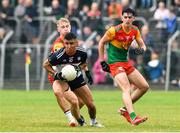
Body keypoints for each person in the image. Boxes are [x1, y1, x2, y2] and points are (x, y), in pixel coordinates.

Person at [98, 8, 149, 126]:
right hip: (114, 63)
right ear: (122, 18)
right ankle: (133, 117)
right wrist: (102, 61)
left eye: (130, 17)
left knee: (144, 86)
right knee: (126, 88)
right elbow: (101, 42)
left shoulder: (135, 30)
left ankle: (124, 109)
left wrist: (142, 50)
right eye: (125, 17)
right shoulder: (113, 30)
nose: (127, 19)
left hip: (126, 63)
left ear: (133, 19)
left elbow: (143, 45)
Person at [43, 32, 103, 127]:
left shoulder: (82, 52)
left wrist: (86, 72)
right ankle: (79, 120)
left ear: (76, 43)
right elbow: (45, 65)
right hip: (62, 79)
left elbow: (83, 63)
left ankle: (93, 121)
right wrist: (56, 74)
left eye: (71, 43)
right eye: (66, 43)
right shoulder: (58, 55)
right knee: (58, 92)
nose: (69, 46)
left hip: (76, 78)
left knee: (91, 104)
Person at [46, 18, 84, 127]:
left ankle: (78, 118)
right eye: (62, 27)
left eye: (67, 26)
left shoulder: (73, 41)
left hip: (70, 74)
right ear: (58, 29)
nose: (65, 29)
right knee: (58, 93)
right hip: (58, 75)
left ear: (70, 27)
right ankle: (71, 119)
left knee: (78, 101)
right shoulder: (58, 44)